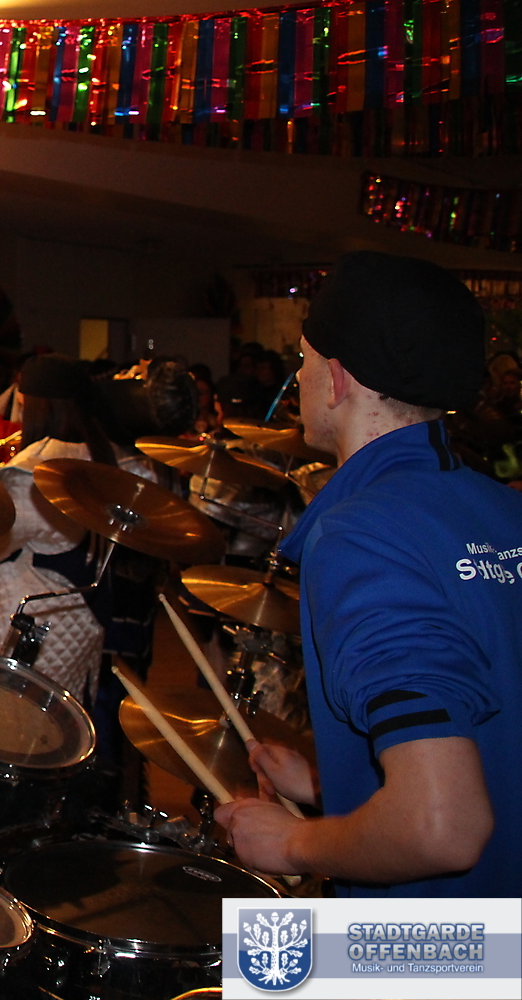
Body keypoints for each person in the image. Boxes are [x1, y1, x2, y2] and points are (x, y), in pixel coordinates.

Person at [217, 251, 522, 898]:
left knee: (260, 950)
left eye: (302, 362)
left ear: (335, 379)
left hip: (437, 943)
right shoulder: (505, 510)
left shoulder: (360, 534)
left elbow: (442, 827)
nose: (299, 381)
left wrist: (292, 841)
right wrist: (332, 784)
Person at [0, 354, 134, 703]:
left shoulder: (33, 471)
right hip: (83, 615)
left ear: (37, 408)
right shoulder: (106, 455)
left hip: (29, 619)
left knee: (6, 719)